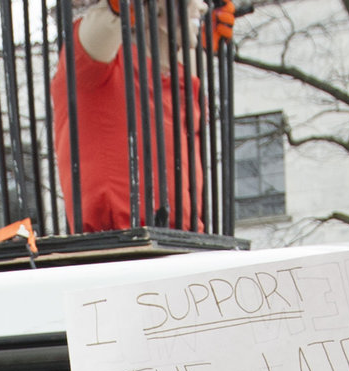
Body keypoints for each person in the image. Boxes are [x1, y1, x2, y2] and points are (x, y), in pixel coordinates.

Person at [48, 0, 223, 232]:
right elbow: (101, 25)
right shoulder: (96, 65)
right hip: (119, 243)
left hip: (183, 239)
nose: (202, 7)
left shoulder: (176, 80)